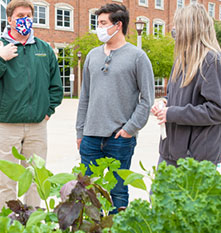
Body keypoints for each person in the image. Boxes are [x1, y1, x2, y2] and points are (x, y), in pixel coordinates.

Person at [0, 0, 63, 209]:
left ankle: (32, 221)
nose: (25, 20)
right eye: (20, 16)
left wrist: (47, 112)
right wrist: (0, 59)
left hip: (37, 128)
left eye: (29, 16)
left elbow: (55, 86)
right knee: (6, 181)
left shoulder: (44, 50)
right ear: (9, 19)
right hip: (7, 127)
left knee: (35, 180)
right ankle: (7, 223)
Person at [75, 3, 154, 212]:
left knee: (118, 192)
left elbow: (147, 99)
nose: (98, 27)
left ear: (118, 25)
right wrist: (80, 131)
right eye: (97, 23)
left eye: (102, 23)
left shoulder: (138, 57)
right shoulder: (92, 55)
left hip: (119, 139)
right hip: (90, 138)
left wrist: (129, 129)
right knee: (87, 191)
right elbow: (85, 97)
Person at [151, 3, 221, 167]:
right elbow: (180, 97)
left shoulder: (214, 62)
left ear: (189, 29)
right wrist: (165, 102)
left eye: (177, 26)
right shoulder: (182, 60)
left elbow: (218, 110)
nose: (174, 31)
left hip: (196, 157)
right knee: (157, 193)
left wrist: (171, 113)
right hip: (171, 151)